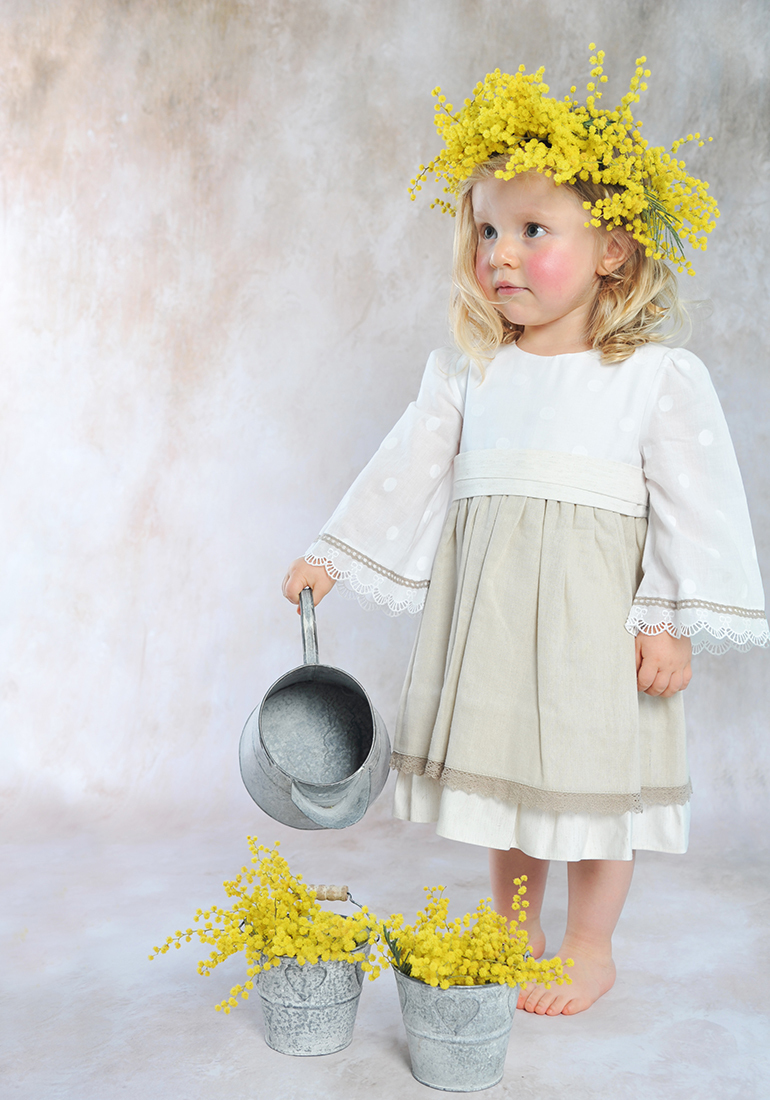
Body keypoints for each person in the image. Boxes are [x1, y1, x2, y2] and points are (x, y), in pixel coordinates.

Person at [282, 48, 768, 1015]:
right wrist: (332, 553)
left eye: (533, 229)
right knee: (507, 782)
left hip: (599, 631)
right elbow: (407, 466)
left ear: (613, 249)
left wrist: (667, 618)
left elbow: (695, 503)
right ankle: (513, 924)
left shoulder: (652, 377)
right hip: (497, 620)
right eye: (487, 229)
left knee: (595, 789)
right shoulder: (471, 369)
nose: (500, 253)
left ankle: (591, 944)